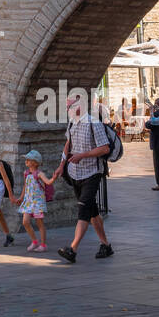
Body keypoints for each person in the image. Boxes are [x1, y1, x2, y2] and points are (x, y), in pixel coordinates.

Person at [52, 95, 113, 263]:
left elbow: (105, 148)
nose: (67, 110)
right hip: (75, 173)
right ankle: (105, 245)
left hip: (92, 173)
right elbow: (68, 145)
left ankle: (72, 249)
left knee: (83, 210)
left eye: (69, 106)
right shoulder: (72, 123)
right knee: (92, 211)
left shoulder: (94, 124)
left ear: (79, 107)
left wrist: (83, 155)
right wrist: (61, 165)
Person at [14, 148, 50, 252]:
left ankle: (43, 245)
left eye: (28, 160)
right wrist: (21, 198)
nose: (26, 161)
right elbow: (25, 186)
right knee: (25, 222)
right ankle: (34, 241)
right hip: (28, 202)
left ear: (34, 163)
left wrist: (53, 178)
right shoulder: (26, 173)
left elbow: (47, 182)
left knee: (39, 223)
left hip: (37, 202)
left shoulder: (39, 174)